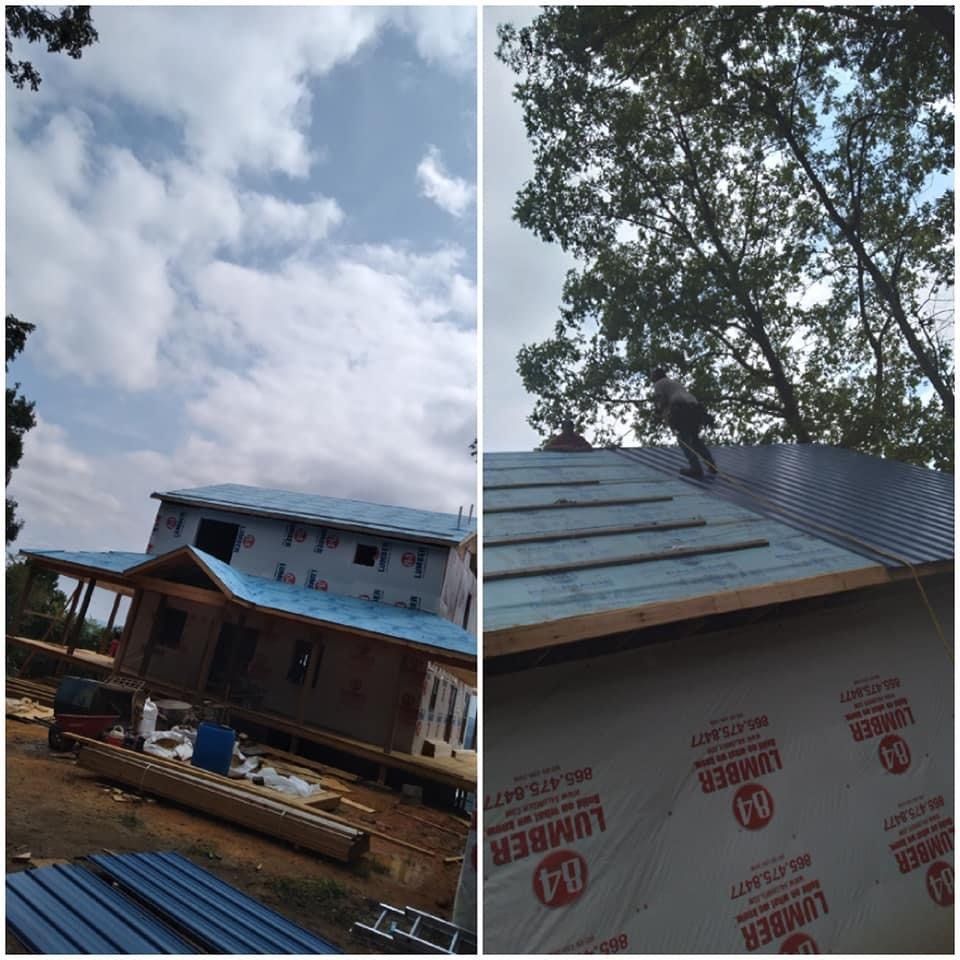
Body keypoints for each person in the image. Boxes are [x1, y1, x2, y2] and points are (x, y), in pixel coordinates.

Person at [650, 368, 717, 478]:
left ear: (656, 376)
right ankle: (711, 465)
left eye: (651, 376)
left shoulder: (659, 384)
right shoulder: (674, 383)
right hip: (696, 409)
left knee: (683, 439)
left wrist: (657, 413)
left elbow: (661, 400)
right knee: (695, 439)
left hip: (682, 409)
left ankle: (695, 468)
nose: (651, 378)